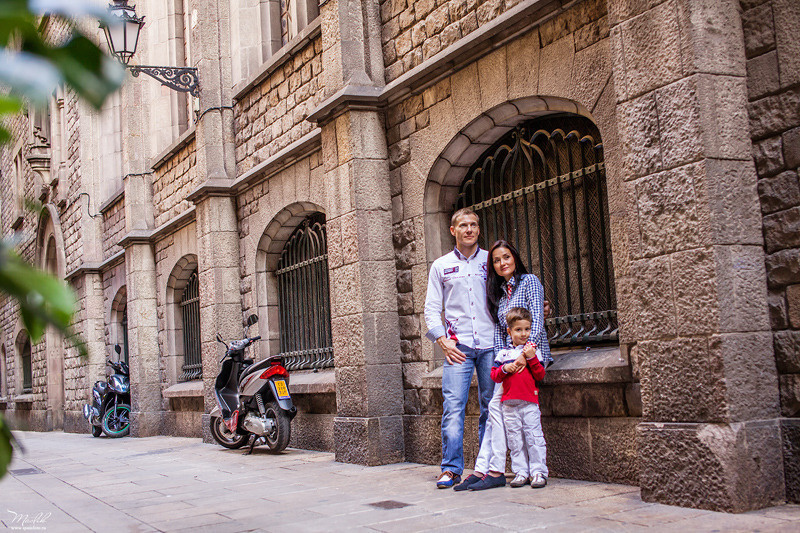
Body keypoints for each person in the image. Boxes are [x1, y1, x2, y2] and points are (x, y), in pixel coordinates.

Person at [455, 239, 551, 491]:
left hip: (531, 359)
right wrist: (503, 360)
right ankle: (487, 469)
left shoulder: (529, 281)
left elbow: (538, 320)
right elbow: (500, 332)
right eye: (496, 260)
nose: (502, 263)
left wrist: (524, 355)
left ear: (515, 258)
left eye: (506, 257)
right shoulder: (498, 292)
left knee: (506, 416)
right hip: (509, 364)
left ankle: (491, 469)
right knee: (494, 413)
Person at [424, 208, 495, 489]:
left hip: (491, 345)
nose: (469, 229)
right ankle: (451, 469)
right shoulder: (440, 266)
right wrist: (441, 339)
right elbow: (431, 308)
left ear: (478, 229)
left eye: (474, 225)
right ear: (453, 230)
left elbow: (509, 294)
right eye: (463, 225)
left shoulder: (491, 261)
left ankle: (487, 466)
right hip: (458, 347)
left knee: (492, 408)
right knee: (453, 408)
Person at [490, 307, 548, 488]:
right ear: (509, 331)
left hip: (529, 403)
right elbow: (494, 375)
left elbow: (540, 375)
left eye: (527, 329)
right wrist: (504, 369)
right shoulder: (503, 354)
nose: (524, 334)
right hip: (509, 404)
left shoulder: (533, 351)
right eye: (518, 330)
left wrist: (531, 359)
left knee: (534, 437)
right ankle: (521, 471)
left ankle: (538, 472)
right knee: (515, 440)